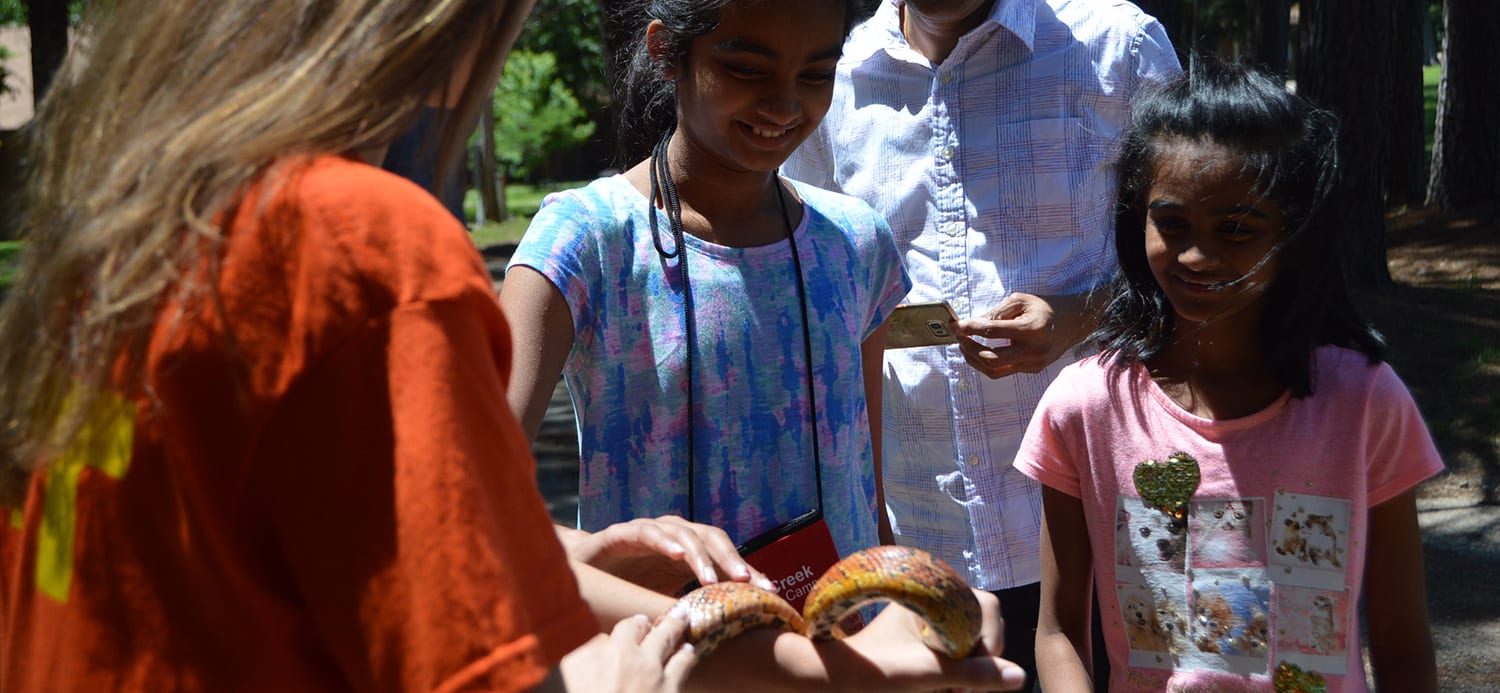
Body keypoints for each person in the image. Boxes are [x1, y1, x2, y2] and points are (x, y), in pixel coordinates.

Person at [0, 0, 1024, 689]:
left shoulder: (124, 238)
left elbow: (331, 541)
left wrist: (558, 548)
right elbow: (483, 662)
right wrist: (847, 669)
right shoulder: (362, 252)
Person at [782, 0, 1180, 686]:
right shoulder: (833, 79)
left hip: (1109, 537)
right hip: (912, 548)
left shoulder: (1116, 48)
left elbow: (1203, 260)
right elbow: (812, 293)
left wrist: (1080, 314)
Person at [1014, 60, 1441, 692]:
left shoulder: (1366, 403)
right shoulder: (1084, 407)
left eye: (1236, 229)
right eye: (1173, 223)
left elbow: (1403, 645)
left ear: (1294, 232)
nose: (1197, 255)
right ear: (1139, 219)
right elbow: (1057, 633)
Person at [501, 0, 909, 572]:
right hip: (666, 649)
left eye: (816, 74)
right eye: (747, 69)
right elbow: (477, 485)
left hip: (845, 644)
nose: (784, 103)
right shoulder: (586, 240)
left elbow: (862, 481)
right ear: (666, 51)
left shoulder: (856, 243)